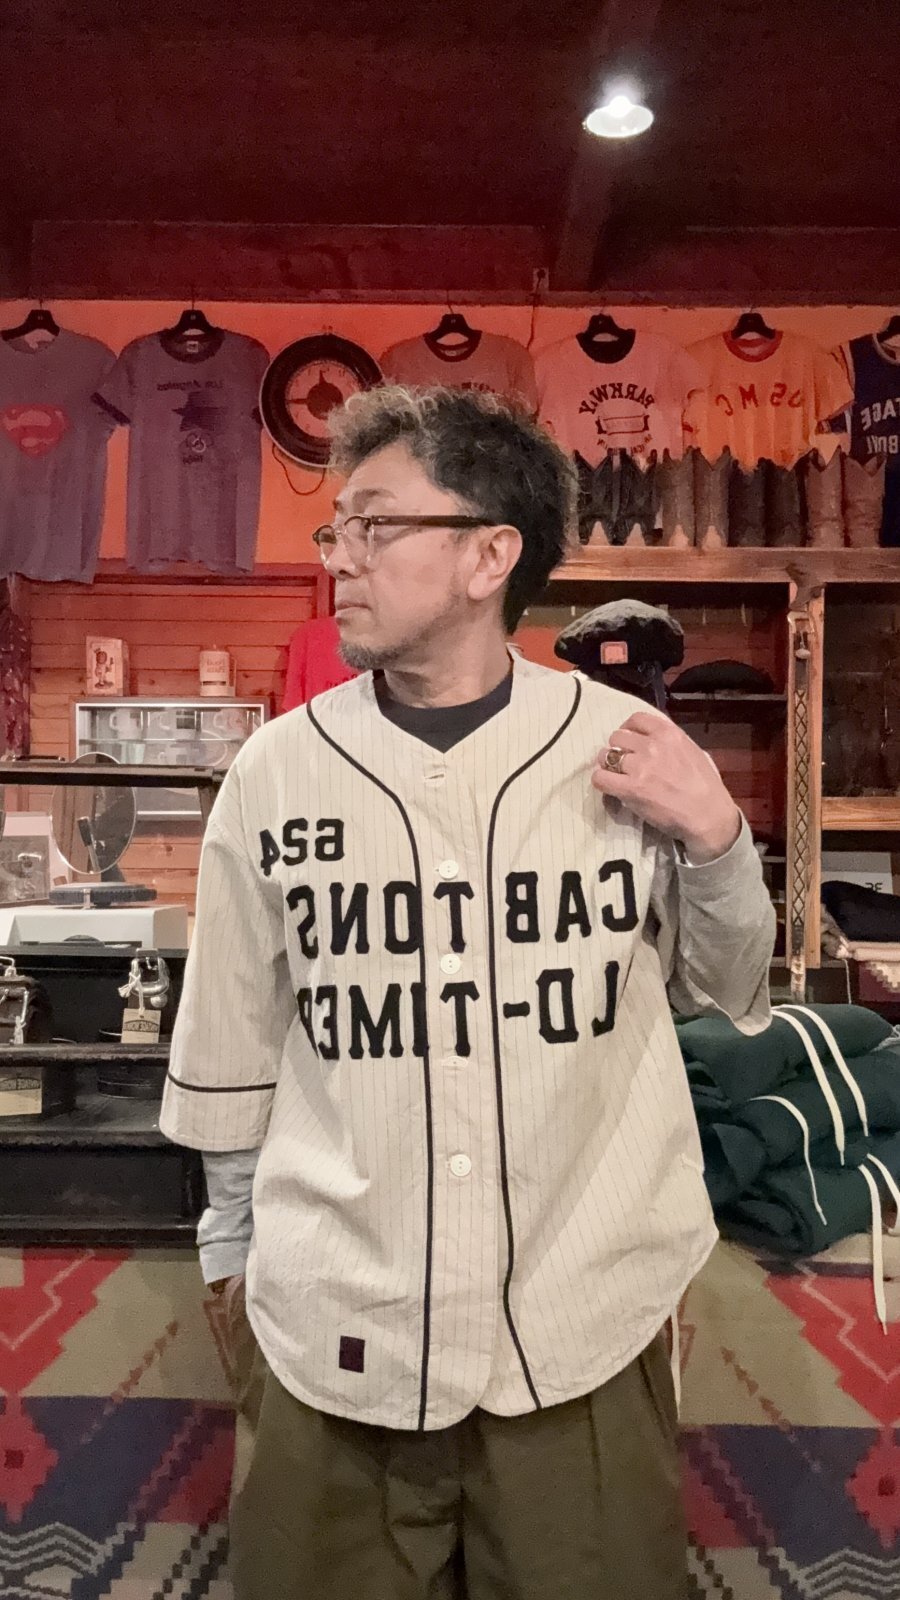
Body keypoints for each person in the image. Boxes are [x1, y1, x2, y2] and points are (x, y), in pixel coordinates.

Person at [160, 386, 775, 1600]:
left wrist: (716, 838)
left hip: (580, 1333)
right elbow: (234, 1041)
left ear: (492, 554)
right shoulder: (275, 772)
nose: (339, 557)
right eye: (338, 527)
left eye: (377, 525)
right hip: (332, 1332)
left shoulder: (626, 747)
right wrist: (232, 1263)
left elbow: (725, 986)